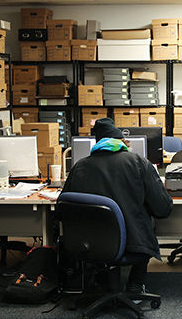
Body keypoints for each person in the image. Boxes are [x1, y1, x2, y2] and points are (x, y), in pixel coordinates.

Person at [62, 117, 173, 294]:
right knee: (146, 220)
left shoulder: (79, 167)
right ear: (122, 142)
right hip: (133, 243)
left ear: (98, 144)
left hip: (88, 244)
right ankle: (136, 284)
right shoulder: (138, 163)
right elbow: (163, 208)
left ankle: (99, 280)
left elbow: (64, 209)